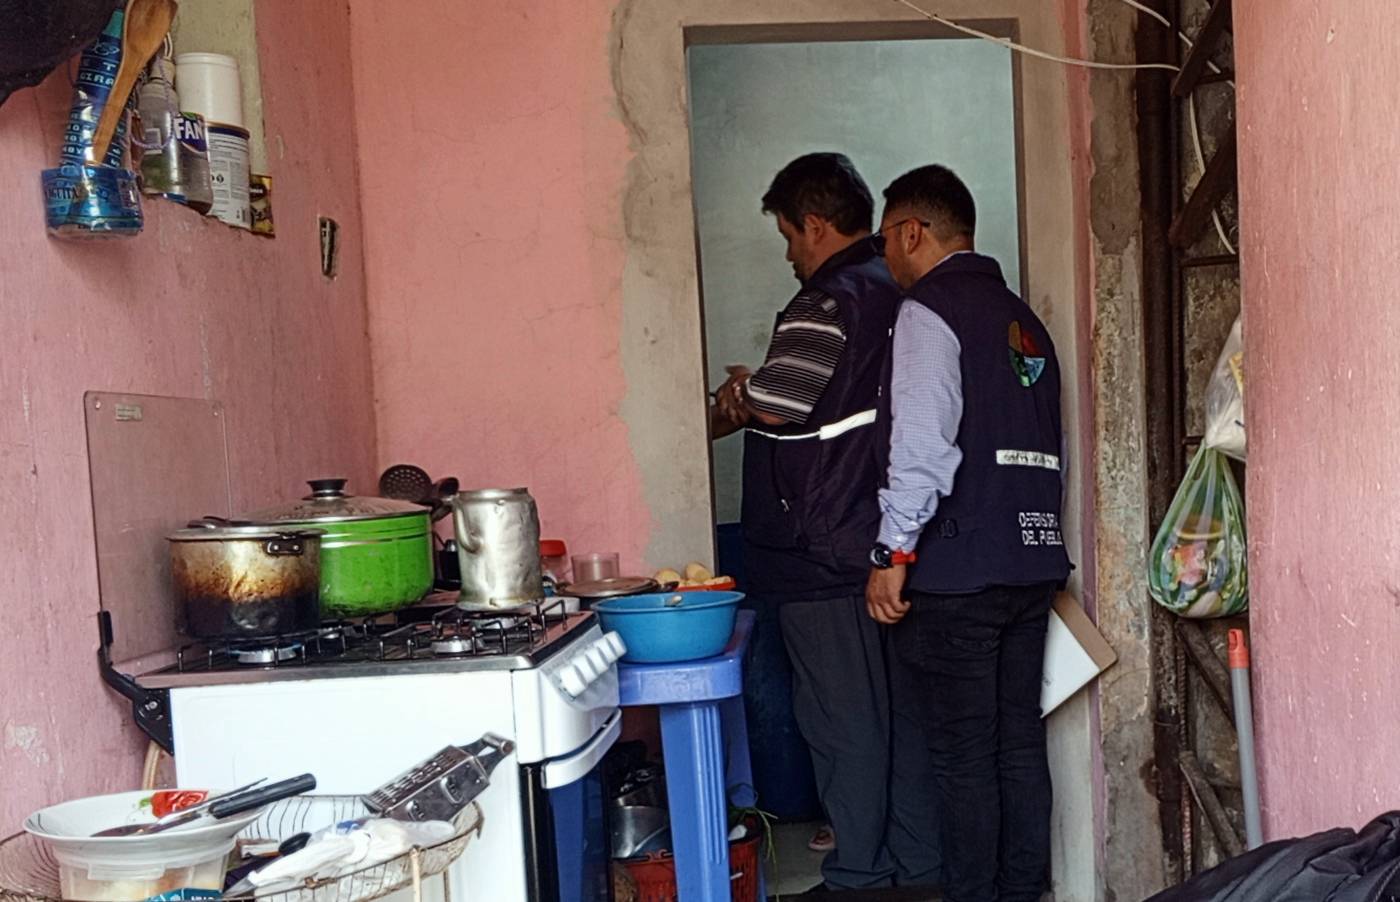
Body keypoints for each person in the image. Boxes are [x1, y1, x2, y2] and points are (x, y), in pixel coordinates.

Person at [710, 152, 939, 891]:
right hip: (880, 540)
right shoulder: (895, 289)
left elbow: (780, 402)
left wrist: (741, 389)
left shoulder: (828, 299)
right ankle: (916, 865)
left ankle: (859, 876)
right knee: (895, 723)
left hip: (821, 549)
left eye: (787, 236)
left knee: (843, 727)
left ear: (813, 224)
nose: (788, 254)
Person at [864, 163, 1072, 902]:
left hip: (958, 567)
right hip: (1032, 558)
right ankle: (1024, 893)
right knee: (1017, 742)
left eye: (886, 237)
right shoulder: (1023, 319)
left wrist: (893, 551)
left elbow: (923, 447)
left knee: (961, 758)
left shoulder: (929, 312)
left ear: (913, 231)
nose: (884, 255)